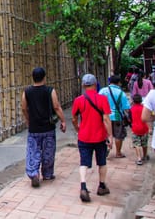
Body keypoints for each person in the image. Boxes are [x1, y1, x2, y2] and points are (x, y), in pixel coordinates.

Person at [21, 67, 67, 188]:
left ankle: (34, 173)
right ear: (44, 77)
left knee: (33, 151)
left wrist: (28, 119)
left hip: (34, 128)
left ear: (33, 77)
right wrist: (63, 120)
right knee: (48, 152)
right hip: (48, 127)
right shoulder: (50, 90)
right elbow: (56, 106)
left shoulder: (27, 91)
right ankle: (47, 174)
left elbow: (24, 108)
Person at [72, 73, 112, 202]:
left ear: (83, 85)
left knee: (84, 162)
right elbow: (106, 119)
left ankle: (83, 185)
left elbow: (74, 118)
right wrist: (110, 135)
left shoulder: (78, 100)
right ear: (95, 85)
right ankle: (101, 186)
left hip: (84, 136)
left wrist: (78, 129)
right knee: (102, 162)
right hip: (100, 136)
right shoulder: (102, 99)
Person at [99, 75, 131, 158]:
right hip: (117, 117)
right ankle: (118, 152)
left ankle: (106, 149)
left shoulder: (103, 91)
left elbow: (98, 103)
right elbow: (126, 108)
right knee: (118, 135)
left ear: (109, 82)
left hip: (105, 117)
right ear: (119, 83)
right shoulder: (121, 93)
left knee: (106, 134)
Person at [131, 94, 150, 165]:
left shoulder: (132, 108)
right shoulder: (144, 108)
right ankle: (144, 156)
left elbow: (130, 119)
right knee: (144, 143)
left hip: (135, 129)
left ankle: (139, 158)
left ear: (133, 101)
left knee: (137, 144)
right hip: (144, 128)